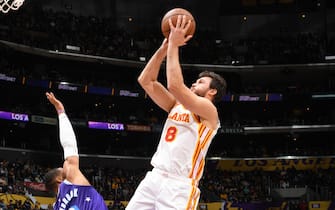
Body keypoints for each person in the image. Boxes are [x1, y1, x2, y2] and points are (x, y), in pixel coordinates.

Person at [126, 15, 227, 210]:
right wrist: (163, 49)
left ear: (212, 92)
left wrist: (174, 45)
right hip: (154, 177)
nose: (194, 83)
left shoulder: (209, 111)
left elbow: (174, 85)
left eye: (200, 82)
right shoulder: (176, 105)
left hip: (179, 186)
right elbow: (146, 81)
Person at [44, 92, 108, 210]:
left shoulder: (57, 207)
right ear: (59, 180)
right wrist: (60, 110)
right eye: (61, 170)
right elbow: (69, 146)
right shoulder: (69, 181)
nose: (63, 168)